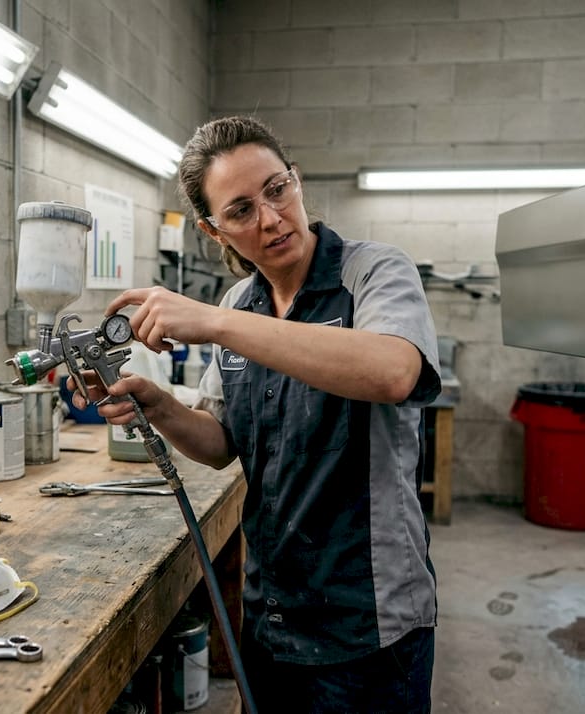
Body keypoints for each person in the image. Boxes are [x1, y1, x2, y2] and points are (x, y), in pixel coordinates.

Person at [74, 115, 442, 712]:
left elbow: (393, 371)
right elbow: (222, 443)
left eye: (278, 189)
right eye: (241, 210)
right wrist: (160, 404)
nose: (271, 218)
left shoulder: (373, 272)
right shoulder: (240, 303)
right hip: (271, 613)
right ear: (213, 231)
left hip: (367, 622)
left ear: (296, 180)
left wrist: (213, 322)